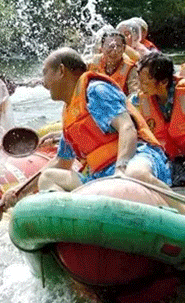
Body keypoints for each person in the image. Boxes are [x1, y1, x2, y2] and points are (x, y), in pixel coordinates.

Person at [25, 47, 170, 196]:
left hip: (137, 158)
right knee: (48, 178)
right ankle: (73, 216)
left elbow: (127, 127)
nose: (44, 82)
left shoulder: (96, 91)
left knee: (135, 174)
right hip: (100, 175)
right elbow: (62, 161)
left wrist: (121, 170)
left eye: (45, 73)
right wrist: (20, 192)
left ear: (61, 71)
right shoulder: (70, 112)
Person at [131, 53, 185, 185]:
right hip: (170, 160)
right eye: (139, 81)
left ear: (164, 82)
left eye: (144, 82)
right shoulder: (138, 100)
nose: (140, 86)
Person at [88, 29, 139, 95]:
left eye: (118, 46)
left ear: (124, 49)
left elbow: (134, 94)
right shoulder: (93, 62)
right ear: (102, 48)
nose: (114, 51)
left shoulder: (131, 68)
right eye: (110, 46)